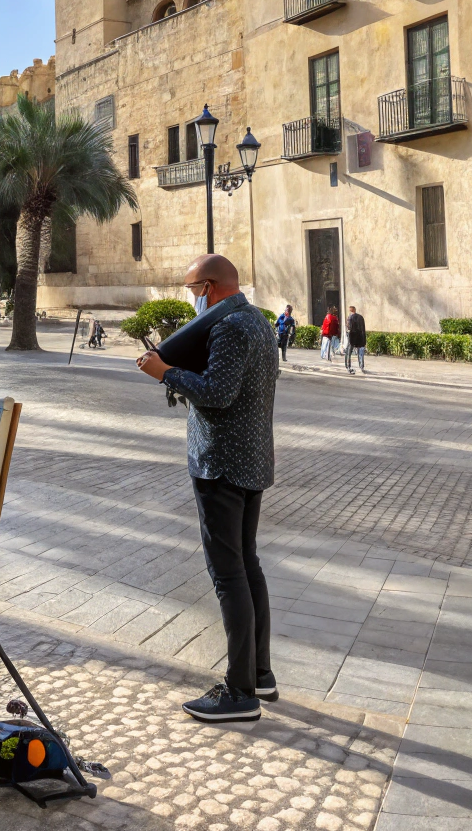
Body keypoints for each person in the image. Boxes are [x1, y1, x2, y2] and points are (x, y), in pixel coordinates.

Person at [136, 253, 278, 723]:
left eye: (193, 289)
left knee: (228, 573)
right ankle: (259, 673)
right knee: (247, 564)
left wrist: (166, 373)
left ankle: (240, 693)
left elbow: (219, 394)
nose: (192, 299)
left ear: (210, 288)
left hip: (222, 464)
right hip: (251, 458)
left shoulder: (231, 326)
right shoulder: (257, 321)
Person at [345, 306, 367, 374]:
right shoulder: (361, 317)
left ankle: (348, 366)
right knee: (360, 353)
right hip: (360, 338)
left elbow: (349, 328)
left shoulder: (350, 318)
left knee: (349, 352)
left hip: (352, 338)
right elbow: (363, 328)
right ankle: (361, 366)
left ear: (351, 311)